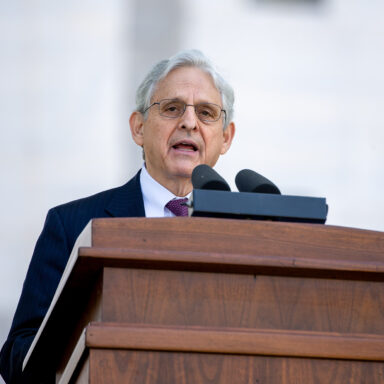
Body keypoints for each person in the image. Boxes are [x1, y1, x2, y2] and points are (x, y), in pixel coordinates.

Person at [0, 49, 235, 383]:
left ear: (225, 138)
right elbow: (17, 359)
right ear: (138, 128)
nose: (189, 122)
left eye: (207, 113)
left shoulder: (244, 233)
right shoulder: (73, 225)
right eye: (171, 108)